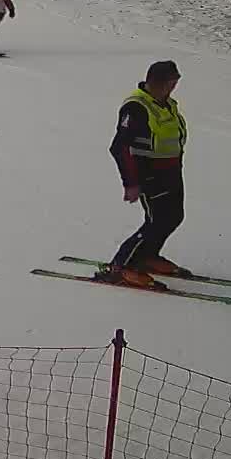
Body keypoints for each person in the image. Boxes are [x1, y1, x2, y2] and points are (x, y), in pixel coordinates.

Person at [97, 60, 190, 288]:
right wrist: (131, 183)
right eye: (170, 83)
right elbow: (119, 147)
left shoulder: (166, 103)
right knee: (156, 221)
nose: (173, 87)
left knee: (174, 216)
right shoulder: (136, 107)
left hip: (171, 172)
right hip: (150, 175)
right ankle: (122, 266)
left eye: (175, 83)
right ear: (156, 82)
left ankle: (148, 256)